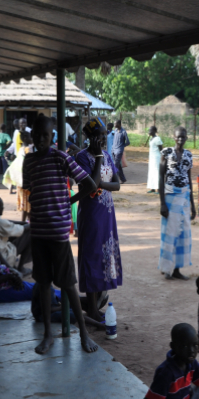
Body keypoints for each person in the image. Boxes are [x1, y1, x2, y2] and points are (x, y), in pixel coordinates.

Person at [22, 114, 98, 355]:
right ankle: (48, 335)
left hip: (57, 235)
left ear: (52, 136)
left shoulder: (61, 158)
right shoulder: (29, 161)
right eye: (37, 135)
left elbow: (90, 185)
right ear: (32, 136)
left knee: (68, 285)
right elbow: (30, 190)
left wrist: (68, 201)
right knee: (43, 284)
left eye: (46, 135)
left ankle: (84, 334)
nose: (41, 139)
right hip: (39, 233)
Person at [73, 117, 123, 323]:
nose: (103, 138)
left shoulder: (108, 156)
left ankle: (96, 304)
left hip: (107, 215)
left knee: (104, 256)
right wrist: (99, 162)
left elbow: (117, 185)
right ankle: (92, 310)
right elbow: (90, 186)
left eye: (104, 135)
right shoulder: (81, 158)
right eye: (99, 135)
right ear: (89, 137)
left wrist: (100, 182)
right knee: (91, 256)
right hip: (91, 215)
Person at [158, 126, 195, 281]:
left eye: (183, 137)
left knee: (183, 234)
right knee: (169, 235)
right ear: (173, 137)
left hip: (184, 197)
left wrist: (193, 205)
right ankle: (167, 269)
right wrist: (162, 204)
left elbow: (189, 179)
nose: (181, 139)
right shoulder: (166, 153)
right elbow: (161, 177)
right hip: (170, 197)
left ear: (186, 138)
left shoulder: (188, 155)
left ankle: (177, 270)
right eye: (178, 136)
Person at [0, 195, 32, 274]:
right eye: (1, 206)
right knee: (29, 233)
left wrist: (24, 223)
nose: (3, 208)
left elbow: (8, 223)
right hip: (2, 256)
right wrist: (33, 224)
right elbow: (19, 229)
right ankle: (21, 268)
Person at [147, 126, 163, 194]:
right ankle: (152, 188)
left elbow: (161, 150)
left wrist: (162, 159)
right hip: (152, 158)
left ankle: (158, 189)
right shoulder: (151, 138)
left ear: (154, 131)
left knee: (157, 173)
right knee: (152, 172)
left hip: (156, 158)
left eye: (150, 130)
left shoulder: (157, 139)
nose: (149, 132)